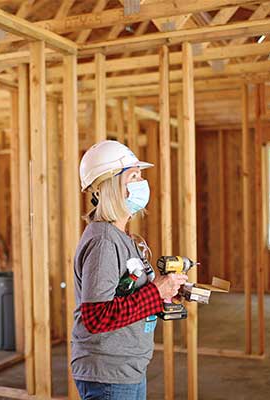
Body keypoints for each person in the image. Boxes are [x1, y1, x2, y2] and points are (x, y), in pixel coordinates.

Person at [71, 140, 188, 400]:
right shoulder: (103, 241)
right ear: (111, 185)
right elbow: (97, 316)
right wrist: (155, 292)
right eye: (133, 176)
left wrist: (164, 293)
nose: (141, 183)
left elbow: (126, 295)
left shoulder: (122, 237)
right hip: (108, 372)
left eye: (140, 175)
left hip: (127, 367)